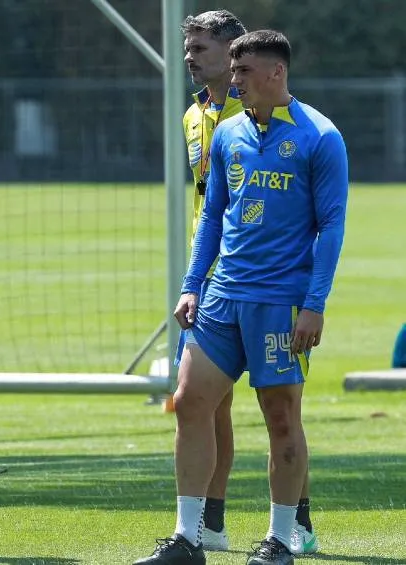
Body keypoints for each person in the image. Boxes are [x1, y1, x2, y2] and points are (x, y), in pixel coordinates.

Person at [136, 29, 347, 565]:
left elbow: (331, 227)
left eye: (244, 72)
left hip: (279, 301)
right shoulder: (226, 134)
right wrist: (191, 284)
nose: (235, 81)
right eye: (233, 71)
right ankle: (188, 538)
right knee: (189, 403)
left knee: (281, 417)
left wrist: (315, 303)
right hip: (221, 297)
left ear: (276, 73)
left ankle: (282, 538)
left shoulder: (320, 137)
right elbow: (212, 217)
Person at [176, 11, 317, 555]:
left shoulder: (259, 108)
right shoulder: (197, 115)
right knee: (206, 403)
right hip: (214, 274)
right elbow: (210, 203)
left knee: (281, 406)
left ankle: (296, 522)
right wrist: (195, 274)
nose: (191, 58)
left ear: (237, 53)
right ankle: (209, 522)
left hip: (272, 278)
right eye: (187, 48)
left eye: (201, 49)